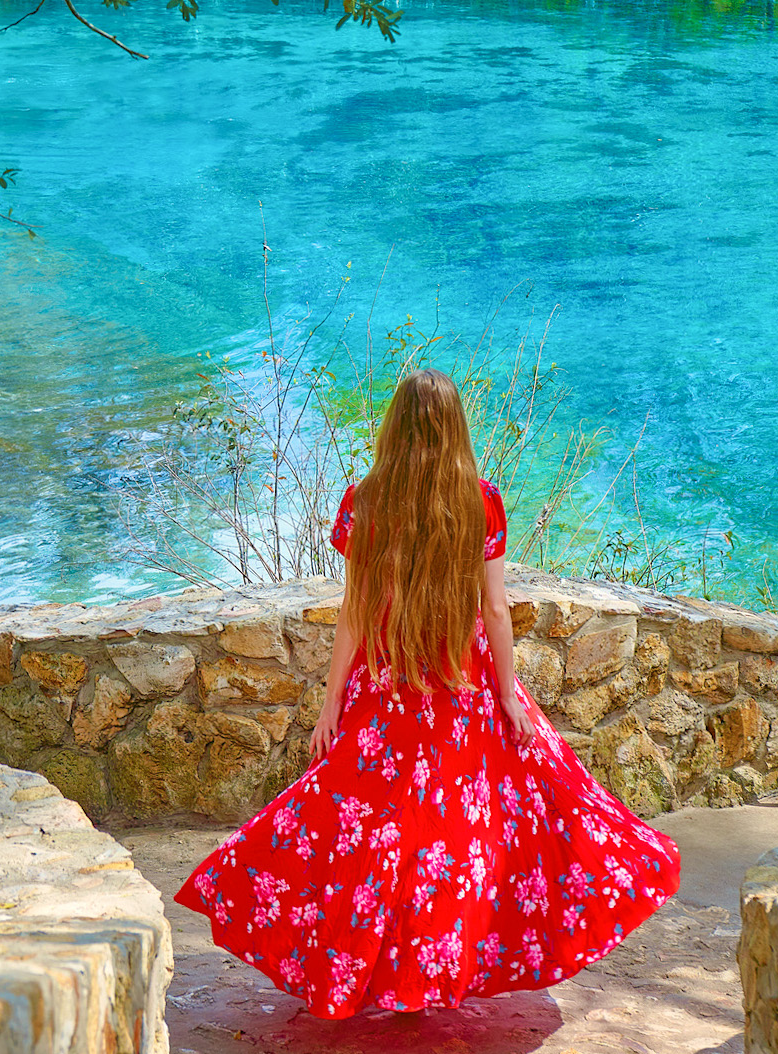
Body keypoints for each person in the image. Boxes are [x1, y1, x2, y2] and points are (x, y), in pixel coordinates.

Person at [175, 368, 680, 1019]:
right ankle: (435, 970)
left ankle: (358, 964)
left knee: (364, 830)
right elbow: (495, 612)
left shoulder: (366, 500)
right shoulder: (482, 500)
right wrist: (509, 696)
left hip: (386, 687)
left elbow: (354, 614)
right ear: (455, 427)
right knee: (458, 838)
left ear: (395, 426)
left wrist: (331, 707)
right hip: (460, 689)